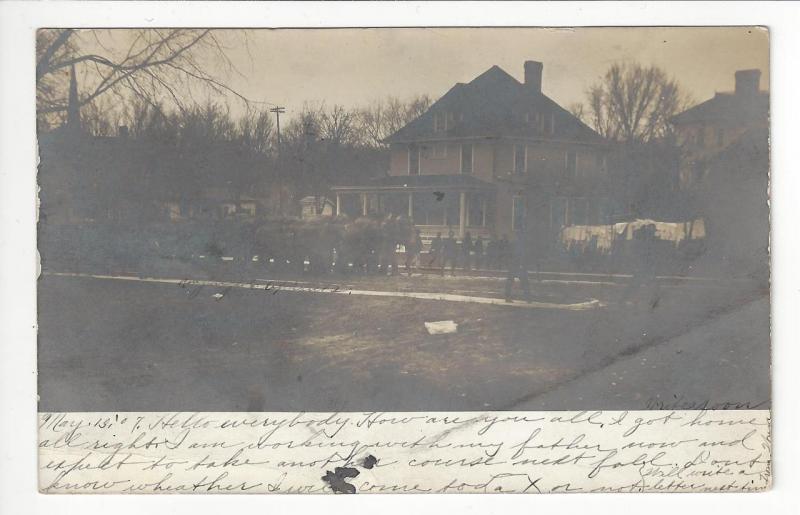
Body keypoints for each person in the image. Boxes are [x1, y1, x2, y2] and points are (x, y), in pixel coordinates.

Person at [504, 228, 532, 302]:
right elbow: (521, 255)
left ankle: (508, 297)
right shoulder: (521, 245)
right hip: (518, 265)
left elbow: (509, 255)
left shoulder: (514, 244)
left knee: (511, 281)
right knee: (524, 282)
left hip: (514, 265)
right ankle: (528, 298)